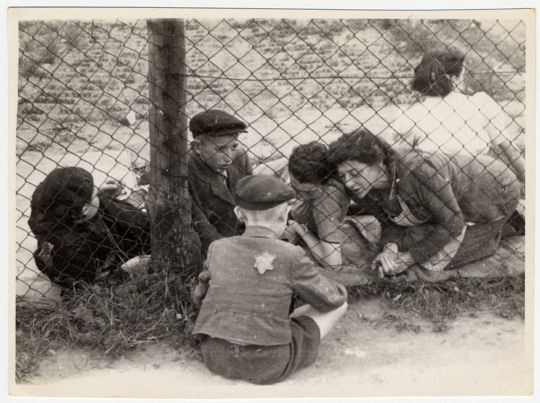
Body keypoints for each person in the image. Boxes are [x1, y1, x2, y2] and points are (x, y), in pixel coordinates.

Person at [192, 175, 348, 385]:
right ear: (285, 214)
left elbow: (199, 297)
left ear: (238, 213)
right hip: (269, 364)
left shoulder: (217, 247)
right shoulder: (291, 254)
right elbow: (332, 300)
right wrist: (335, 286)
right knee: (340, 306)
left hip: (215, 357)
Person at [327, 128, 521, 279]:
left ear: (378, 164)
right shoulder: (365, 187)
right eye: (343, 175)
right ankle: (490, 227)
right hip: (453, 201)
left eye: (355, 173)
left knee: (434, 260)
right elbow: (388, 223)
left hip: (495, 190)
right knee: (415, 242)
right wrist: (390, 248)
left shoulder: (418, 170)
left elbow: (453, 223)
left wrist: (410, 258)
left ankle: (507, 226)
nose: (349, 183)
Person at [390, 48, 525, 184]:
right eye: (463, 76)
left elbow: (401, 160)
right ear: (454, 79)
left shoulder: (410, 115)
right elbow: (511, 152)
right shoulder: (480, 104)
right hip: (479, 182)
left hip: (436, 185)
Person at [28, 167, 151, 289]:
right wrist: (127, 269)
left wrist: (91, 193)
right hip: (85, 267)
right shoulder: (75, 249)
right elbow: (95, 288)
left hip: (72, 247)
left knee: (107, 206)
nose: (98, 192)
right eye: (95, 194)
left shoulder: (53, 212)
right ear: (84, 209)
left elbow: (73, 201)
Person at [284, 142, 381, 286]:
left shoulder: (326, 199)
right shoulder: (309, 173)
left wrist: (300, 229)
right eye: (293, 186)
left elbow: (333, 264)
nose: (299, 196)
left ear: (326, 181)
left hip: (296, 219)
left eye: (308, 192)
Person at [188, 109, 252, 251]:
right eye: (221, 149)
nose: (229, 157)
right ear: (197, 147)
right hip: (211, 245)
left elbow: (250, 200)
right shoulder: (186, 169)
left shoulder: (240, 156)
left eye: (233, 146)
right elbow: (200, 222)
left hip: (242, 234)